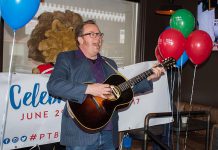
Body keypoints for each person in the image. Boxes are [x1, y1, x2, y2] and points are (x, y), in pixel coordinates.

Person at [47, 19, 165, 150]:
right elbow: (54, 85)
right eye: (92, 34)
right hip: (81, 134)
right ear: (80, 39)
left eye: (99, 34)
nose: (98, 38)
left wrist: (149, 78)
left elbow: (124, 90)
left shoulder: (109, 64)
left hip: (109, 133)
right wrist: (90, 89)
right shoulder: (67, 58)